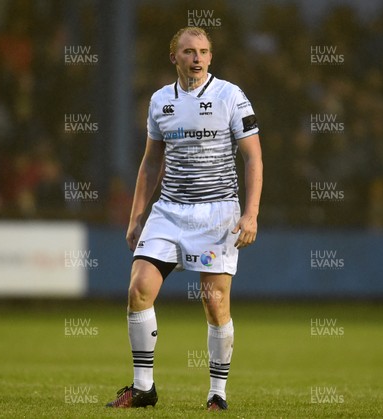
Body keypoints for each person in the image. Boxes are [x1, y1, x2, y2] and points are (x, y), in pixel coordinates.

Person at [106, 26, 263, 411]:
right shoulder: (161, 101)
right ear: (173, 57)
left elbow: (253, 158)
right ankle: (144, 388)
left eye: (204, 51)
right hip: (170, 211)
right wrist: (136, 215)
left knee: (214, 302)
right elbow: (151, 161)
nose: (197, 58)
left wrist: (251, 213)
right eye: (189, 51)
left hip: (215, 215)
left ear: (211, 57)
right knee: (139, 288)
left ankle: (217, 394)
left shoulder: (230, 96)